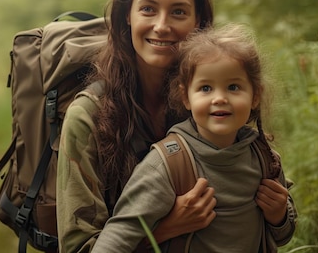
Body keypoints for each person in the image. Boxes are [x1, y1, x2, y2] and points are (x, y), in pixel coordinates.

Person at [56, 0, 217, 252]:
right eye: (148, 9)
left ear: (200, 22)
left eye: (179, 12)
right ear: (126, 17)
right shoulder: (88, 116)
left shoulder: (213, 104)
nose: (162, 25)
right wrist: (164, 229)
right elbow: (79, 246)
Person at [92, 24, 297, 252]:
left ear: (255, 96)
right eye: (206, 88)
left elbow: (283, 236)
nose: (219, 98)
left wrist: (279, 216)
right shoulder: (168, 163)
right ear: (186, 97)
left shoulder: (264, 157)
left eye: (233, 87)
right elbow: (119, 235)